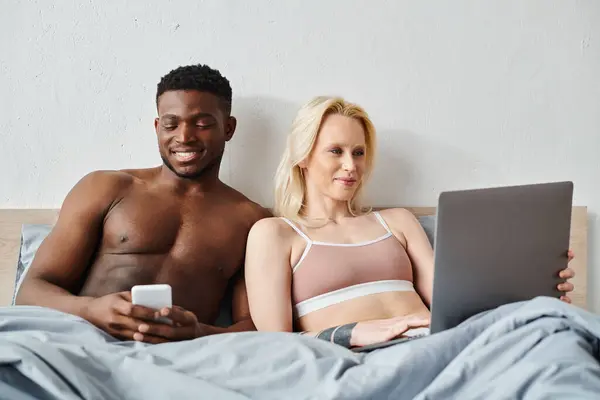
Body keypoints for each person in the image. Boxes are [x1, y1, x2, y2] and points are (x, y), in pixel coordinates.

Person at [244, 96, 576, 349]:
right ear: (303, 156)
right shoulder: (275, 234)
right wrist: (351, 333)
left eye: (358, 153)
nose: (351, 165)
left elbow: (454, 303)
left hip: (436, 343)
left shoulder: (397, 222)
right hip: (359, 355)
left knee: (558, 342)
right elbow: (277, 344)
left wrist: (533, 290)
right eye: (336, 151)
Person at [15, 64, 271, 344]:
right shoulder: (106, 188)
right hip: (82, 341)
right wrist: (90, 310)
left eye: (202, 124)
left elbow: (258, 323)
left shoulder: (251, 221)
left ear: (229, 128)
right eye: (171, 124)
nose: (184, 137)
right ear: (157, 127)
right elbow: (31, 290)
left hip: (181, 356)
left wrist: (199, 332)